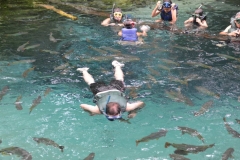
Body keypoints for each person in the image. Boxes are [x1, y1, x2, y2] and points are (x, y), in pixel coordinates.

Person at [77, 60, 145, 121]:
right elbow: (141, 103)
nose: (114, 118)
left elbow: (82, 105)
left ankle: (84, 71)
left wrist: (91, 113)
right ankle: (117, 66)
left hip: (110, 90)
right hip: (103, 91)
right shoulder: (98, 110)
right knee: (92, 83)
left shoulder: (98, 110)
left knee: (119, 79)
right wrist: (134, 111)